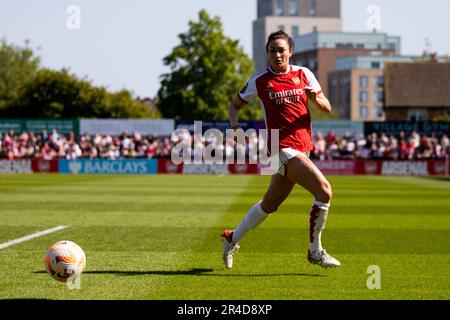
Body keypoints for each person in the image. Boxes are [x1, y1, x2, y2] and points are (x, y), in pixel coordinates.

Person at [220, 30, 340, 269]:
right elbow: (234, 106)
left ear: (290, 52)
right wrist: (235, 127)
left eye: (281, 50)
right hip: (279, 149)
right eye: (272, 50)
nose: (277, 54)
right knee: (324, 191)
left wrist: (315, 99)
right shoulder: (260, 81)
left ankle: (231, 238)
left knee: (269, 204)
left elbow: (326, 106)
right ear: (267, 53)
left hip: (301, 148)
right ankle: (315, 250)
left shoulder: (304, 74)